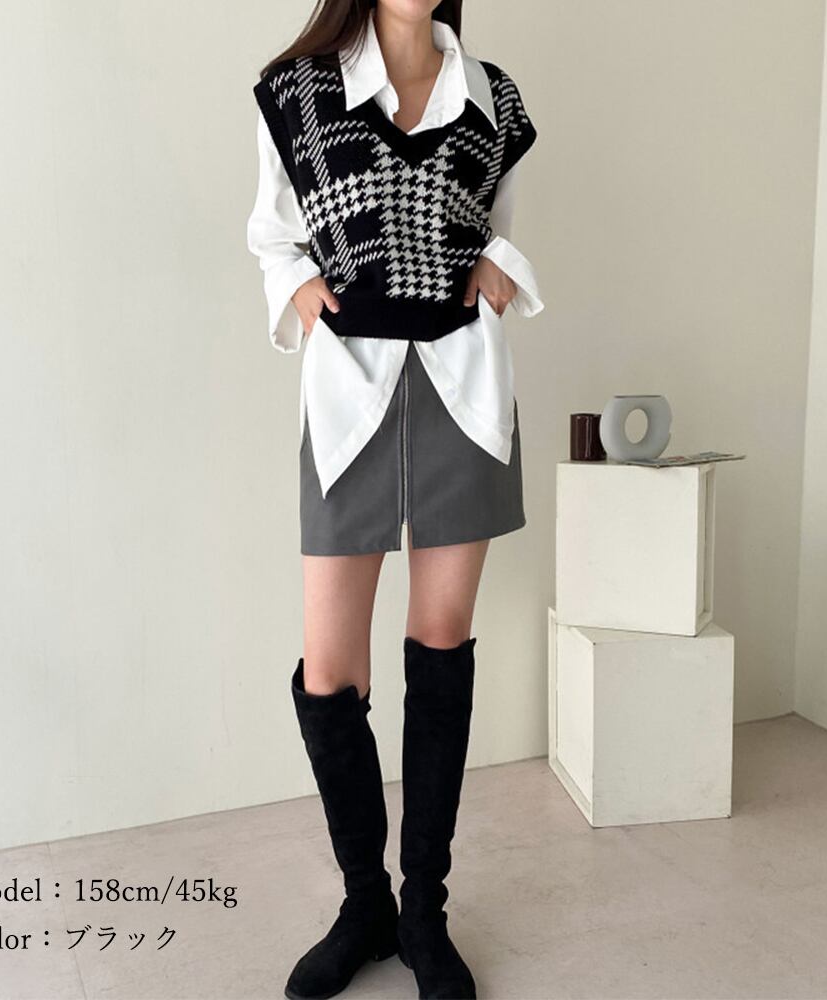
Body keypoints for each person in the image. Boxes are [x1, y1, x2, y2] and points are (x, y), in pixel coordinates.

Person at [247, 2, 543, 997]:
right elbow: (273, 231)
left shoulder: (493, 98)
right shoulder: (298, 91)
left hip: (462, 388)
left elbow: (502, 229)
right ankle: (363, 902)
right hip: (349, 388)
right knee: (330, 670)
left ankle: (423, 913)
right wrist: (296, 288)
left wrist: (498, 268)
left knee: (441, 645)